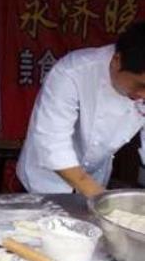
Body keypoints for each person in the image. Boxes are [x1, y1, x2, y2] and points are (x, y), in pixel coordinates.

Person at [17, 21, 145, 197]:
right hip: (46, 179)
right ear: (117, 60)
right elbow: (53, 143)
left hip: (95, 176)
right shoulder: (73, 72)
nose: (143, 95)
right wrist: (101, 198)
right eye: (140, 85)